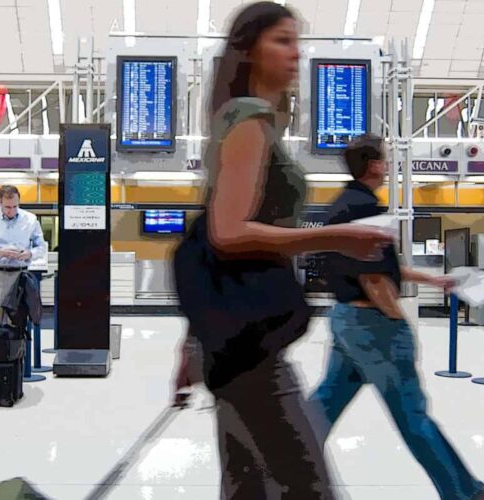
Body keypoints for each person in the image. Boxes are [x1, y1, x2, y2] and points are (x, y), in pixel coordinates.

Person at [171, 3, 394, 498]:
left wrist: (192, 342)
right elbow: (228, 233)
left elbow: (213, 238)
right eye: (282, 40)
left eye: (297, 40)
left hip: (231, 341)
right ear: (249, 50)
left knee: (247, 485)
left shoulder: (247, 121)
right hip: (251, 349)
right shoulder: (248, 120)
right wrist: (335, 236)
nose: (297, 52)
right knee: (310, 487)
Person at [307, 134, 484, 500]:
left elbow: (388, 267)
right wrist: (397, 320)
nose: (386, 167)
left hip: (346, 319)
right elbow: (375, 277)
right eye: (383, 161)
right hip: (374, 327)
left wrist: (433, 278)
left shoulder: (341, 205)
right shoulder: (365, 207)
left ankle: (282, 472)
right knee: (413, 417)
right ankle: (462, 494)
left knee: (323, 406)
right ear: (375, 166)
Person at [0, 185, 46, 359]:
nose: (11, 211)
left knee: (18, 325)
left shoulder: (30, 219)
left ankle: (15, 369)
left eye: (14, 206)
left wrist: (30, 254)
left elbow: (41, 247)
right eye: (7, 207)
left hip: (20, 278)